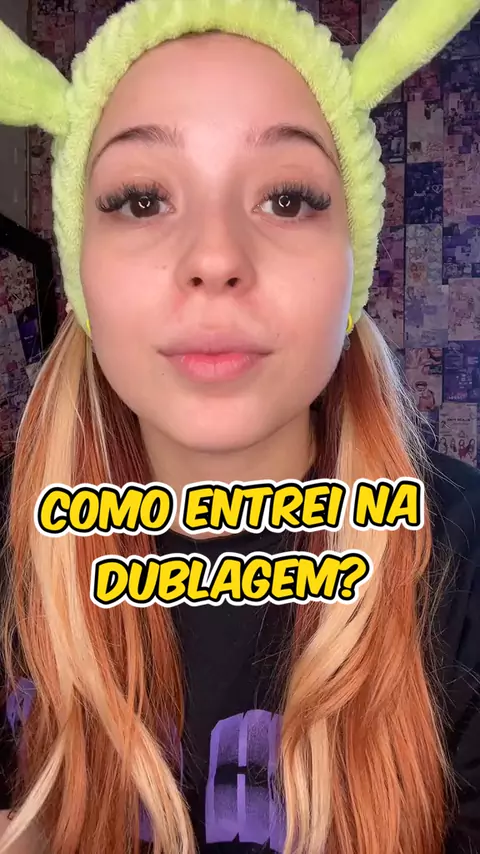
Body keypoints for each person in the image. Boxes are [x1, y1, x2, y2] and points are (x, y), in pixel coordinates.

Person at [0, 0, 479, 852]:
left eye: (287, 199)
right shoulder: (12, 547)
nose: (215, 257)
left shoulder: (463, 554)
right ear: (81, 274)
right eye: (142, 199)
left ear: (353, 267)